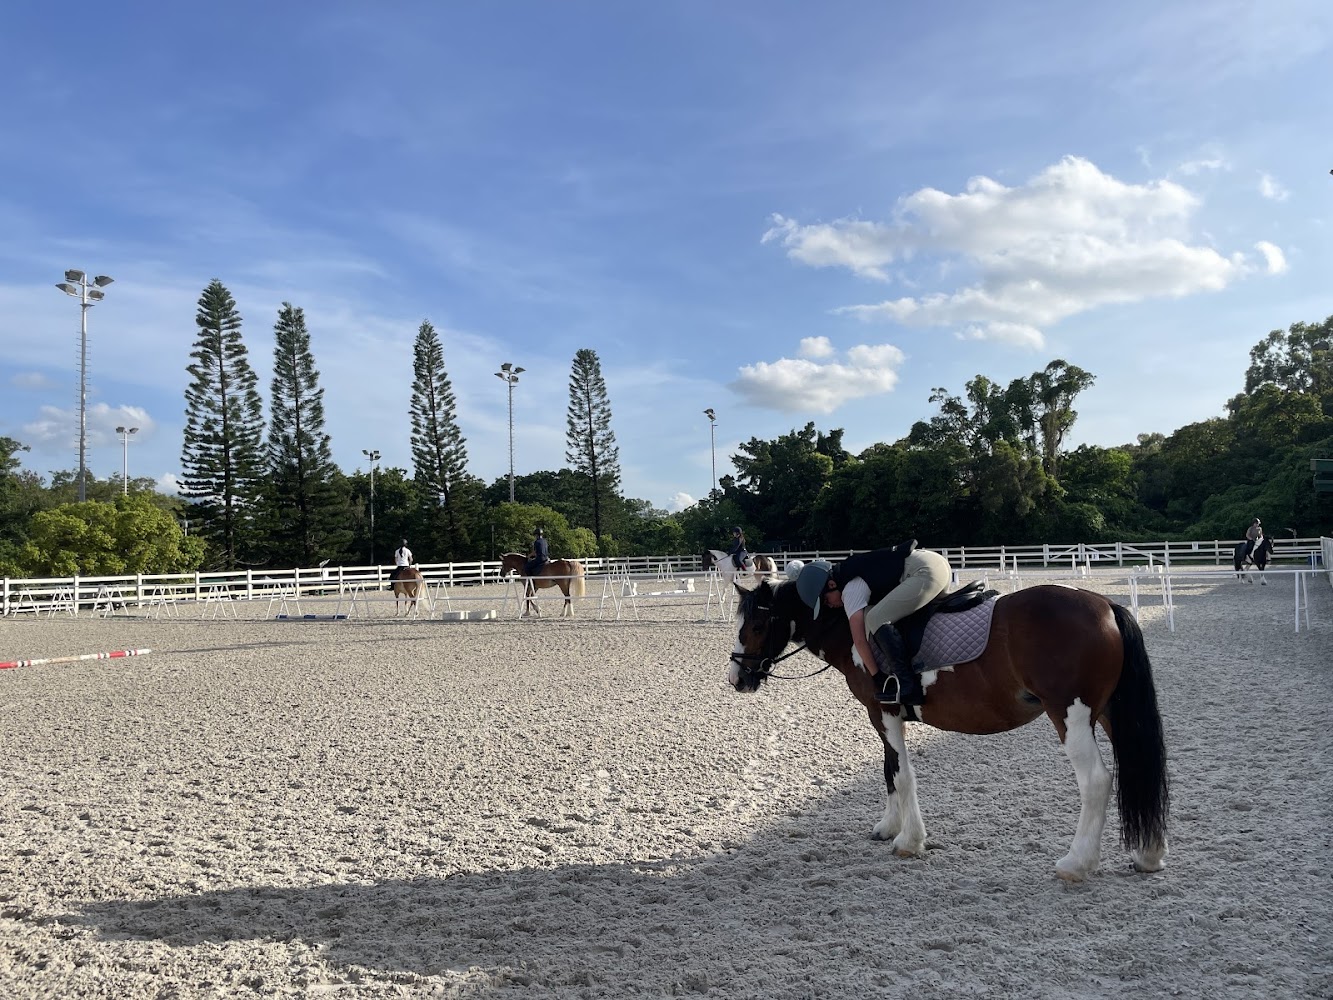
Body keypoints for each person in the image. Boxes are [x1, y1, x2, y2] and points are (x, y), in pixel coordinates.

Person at [795, 540, 952, 707]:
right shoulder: (849, 573)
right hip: (936, 563)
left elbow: (859, 641)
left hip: (925, 572)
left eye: (826, 600)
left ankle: (909, 686)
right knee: (874, 612)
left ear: (832, 584)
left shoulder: (851, 589)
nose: (830, 606)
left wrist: (877, 677)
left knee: (875, 618)